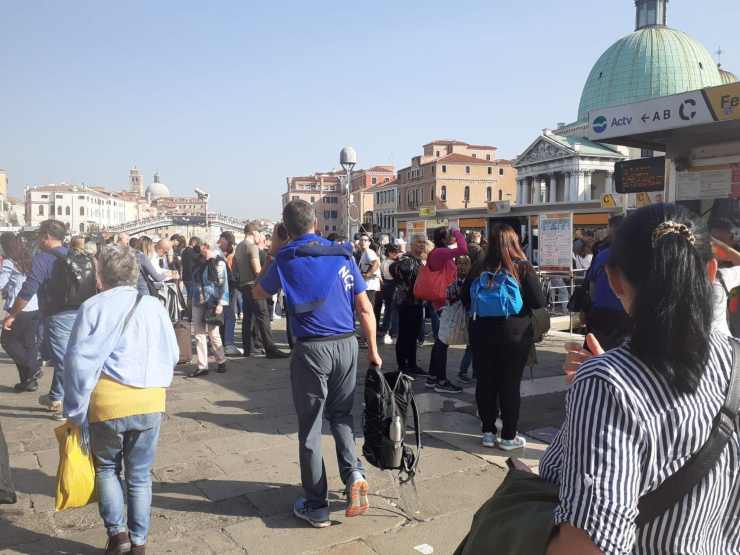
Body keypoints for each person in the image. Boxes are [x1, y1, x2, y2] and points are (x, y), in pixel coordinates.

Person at [543, 204, 740, 555]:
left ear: (615, 279)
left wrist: (607, 383)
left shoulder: (606, 384)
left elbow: (586, 547)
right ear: (711, 271)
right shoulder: (735, 358)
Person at [254, 200, 379, 529]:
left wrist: (274, 249)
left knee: (310, 428)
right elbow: (365, 308)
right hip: (348, 345)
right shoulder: (341, 253)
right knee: (341, 417)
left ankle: (317, 506)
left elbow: (257, 293)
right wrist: (374, 351)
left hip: (312, 350)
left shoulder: (285, 257)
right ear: (316, 223)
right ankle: (354, 474)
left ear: (285, 228)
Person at [63, 245, 178, 555]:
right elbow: (175, 353)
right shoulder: (153, 305)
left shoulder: (92, 308)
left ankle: (118, 535)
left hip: (108, 402)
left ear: (100, 276)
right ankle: (139, 542)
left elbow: (76, 362)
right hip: (151, 400)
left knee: (107, 470)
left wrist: (74, 410)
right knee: (140, 476)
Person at [462, 224, 546, 450]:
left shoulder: (479, 266)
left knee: (486, 382)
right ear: (514, 242)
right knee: (510, 385)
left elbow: (465, 299)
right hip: (515, 334)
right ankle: (508, 436)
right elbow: (539, 302)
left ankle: (488, 433)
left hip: (481, 333)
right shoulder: (522, 266)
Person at [3, 220, 90, 420]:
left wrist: (13, 314)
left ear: (47, 236)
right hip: (80, 311)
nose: (38, 240)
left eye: (40, 235)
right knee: (68, 356)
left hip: (58, 315)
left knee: (63, 359)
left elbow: (28, 289)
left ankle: (65, 407)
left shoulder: (43, 258)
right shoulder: (74, 253)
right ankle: (55, 397)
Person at [234, 224, 288, 359]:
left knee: (248, 318)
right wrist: (268, 266)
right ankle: (270, 348)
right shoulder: (251, 247)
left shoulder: (239, 247)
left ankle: (248, 349)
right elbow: (257, 270)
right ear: (254, 233)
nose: (260, 236)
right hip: (253, 285)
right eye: (259, 233)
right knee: (263, 316)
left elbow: (235, 268)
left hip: (244, 285)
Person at [425, 227, 468, 392]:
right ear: (444, 238)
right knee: (443, 342)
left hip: (441, 300)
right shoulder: (440, 252)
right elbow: (463, 248)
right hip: (443, 301)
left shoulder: (438, 253)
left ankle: (432, 377)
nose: (454, 238)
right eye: (450, 236)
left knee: (440, 342)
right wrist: (457, 232)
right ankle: (441, 381)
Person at [0, 233, 41, 392]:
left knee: (7, 341)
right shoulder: (30, 258)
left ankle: (33, 367)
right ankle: (28, 381)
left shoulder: (10, 262)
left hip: (18, 307)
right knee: (28, 344)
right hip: (34, 305)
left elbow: (1, 283)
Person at [584, 221, 631, 350]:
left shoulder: (603, 255)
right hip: (626, 313)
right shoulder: (636, 255)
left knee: (597, 347)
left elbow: (591, 282)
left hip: (601, 310)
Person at [190, 242, 228, 377]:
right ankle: (202, 365)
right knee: (198, 334)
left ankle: (221, 359)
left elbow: (223, 285)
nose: (202, 250)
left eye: (203, 248)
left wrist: (220, 304)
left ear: (207, 247)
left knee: (213, 333)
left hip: (211, 301)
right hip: (197, 299)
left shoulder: (219, 263)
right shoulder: (198, 262)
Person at [390, 234, 427, 375]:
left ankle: (412, 364)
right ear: (412, 244)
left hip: (417, 302)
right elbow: (395, 269)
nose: (422, 245)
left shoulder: (419, 260)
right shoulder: (406, 258)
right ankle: (402, 365)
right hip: (406, 302)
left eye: (423, 242)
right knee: (405, 334)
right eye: (419, 242)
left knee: (414, 335)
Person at [217, 231, 241, 356]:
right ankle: (228, 344)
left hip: (221, 291)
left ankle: (221, 343)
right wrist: (235, 281)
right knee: (230, 317)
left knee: (223, 318)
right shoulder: (221, 257)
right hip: (226, 291)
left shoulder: (219, 254)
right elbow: (227, 276)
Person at [379, 244, 401, 344]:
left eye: (397, 252)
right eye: (394, 252)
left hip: (386, 285)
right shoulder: (393, 264)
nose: (396, 254)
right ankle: (394, 332)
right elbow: (397, 277)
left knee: (388, 309)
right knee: (394, 310)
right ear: (389, 252)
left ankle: (385, 330)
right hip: (393, 285)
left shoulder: (384, 262)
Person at [180, 237, 201, 302]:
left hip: (185, 277)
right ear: (194, 242)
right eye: (198, 244)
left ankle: (188, 310)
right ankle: (190, 311)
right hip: (191, 277)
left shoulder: (184, 251)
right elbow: (199, 259)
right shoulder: (192, 252)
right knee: (193, 297)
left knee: (189, 295)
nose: (198, 246)